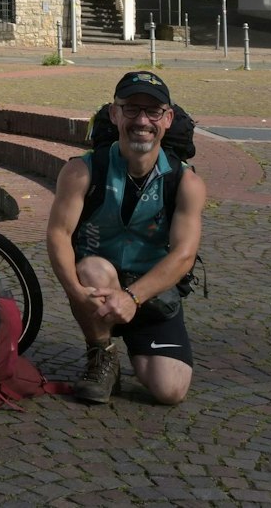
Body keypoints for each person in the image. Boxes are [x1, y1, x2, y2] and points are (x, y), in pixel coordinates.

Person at [45, 70, 207, 405]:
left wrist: (132, 298)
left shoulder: (185, 182)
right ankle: (102, 353)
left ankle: (137, 340)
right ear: (115, 113)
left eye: (153, 112)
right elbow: (59, 234)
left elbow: (184, 255)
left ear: (168, 119)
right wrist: (75, 291)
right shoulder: (82, 171)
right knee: (91, 269)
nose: (142, 121)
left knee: (170, 390)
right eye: (131, 109)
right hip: (98, 288)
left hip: (152, 293)